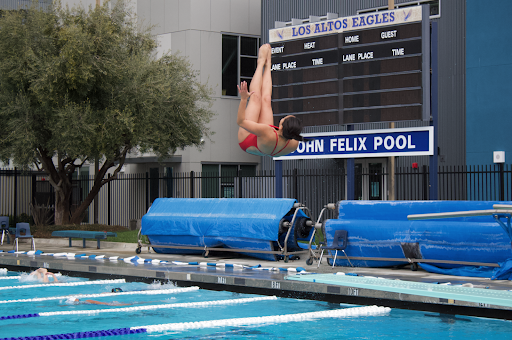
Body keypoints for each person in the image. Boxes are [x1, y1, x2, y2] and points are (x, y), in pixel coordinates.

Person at [237, 44, 303, 157]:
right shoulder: (294, 143)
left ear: (281, 126)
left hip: (246, 141)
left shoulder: (267, 131)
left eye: (284, 118)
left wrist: (243, 99)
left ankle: (261, 63)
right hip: (268, 144)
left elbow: (241, 122)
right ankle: (268, 65)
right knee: (266, 100)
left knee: (255, 98)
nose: (285, 117)